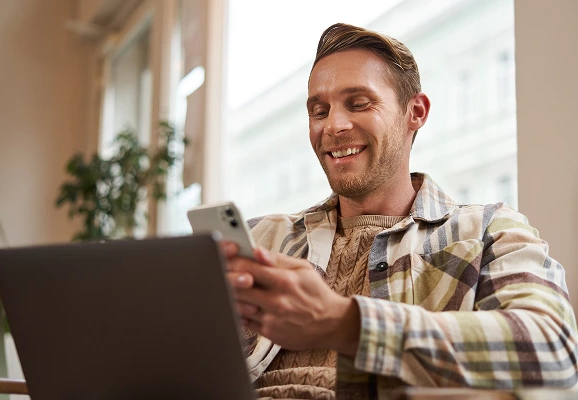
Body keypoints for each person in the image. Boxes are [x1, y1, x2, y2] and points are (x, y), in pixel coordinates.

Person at [222, 23, 578, 400]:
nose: (333, 126)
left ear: (416, 112)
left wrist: (347, 324)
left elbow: (552, 351)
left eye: (359, 104)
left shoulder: (487, 229)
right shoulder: (261, 238)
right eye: (319, 110)